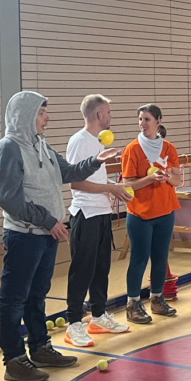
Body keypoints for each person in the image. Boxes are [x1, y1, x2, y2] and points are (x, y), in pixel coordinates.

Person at [0, 91, 115, 381]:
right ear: (26, 115)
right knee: (13, 298)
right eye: (42, 113)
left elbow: (68, 172)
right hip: (25, 236)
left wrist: (96, 160)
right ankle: (14, 359)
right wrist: (48, 220)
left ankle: (39, 347)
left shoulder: (42, 145)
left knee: (37, 294)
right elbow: (9, 199)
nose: (48, 119)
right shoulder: (8, 148)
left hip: (47, 235)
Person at [63, 94, 133, 347]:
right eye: (109, 112)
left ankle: (98, 315)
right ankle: (73, 323)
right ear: (99, 115)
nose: (111, 117)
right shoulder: (80, 141)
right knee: (82, 269)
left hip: (101, 212)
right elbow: (76, 182)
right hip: (86, 214)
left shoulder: (98, 142)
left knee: (101, 267)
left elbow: (96, 180)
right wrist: (109, 190)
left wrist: (114, 187)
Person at [120, 104, 181, 324]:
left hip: (165, 211)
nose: (142, 124)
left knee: (160, 257)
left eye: (147, 119)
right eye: (140, 119)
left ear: (158, 122)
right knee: (139, 258)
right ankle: (133, 303)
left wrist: (166, 179)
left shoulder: (169, 148)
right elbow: (128, 185)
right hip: (140, 214)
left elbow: (177, 180)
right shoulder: (132, 150)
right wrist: (149, 179)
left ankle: (157, 298)